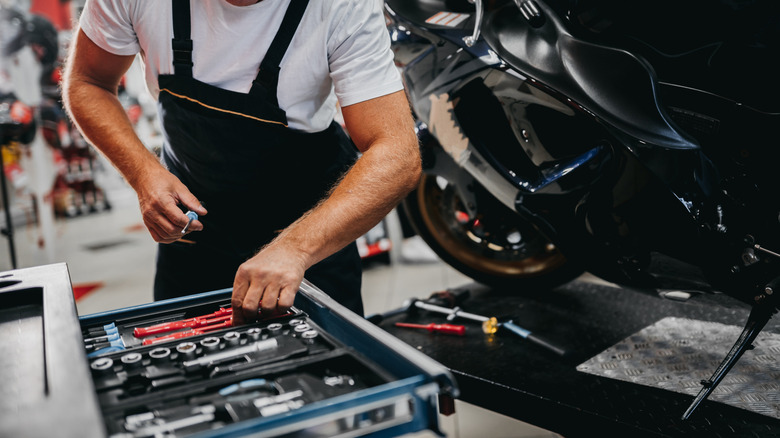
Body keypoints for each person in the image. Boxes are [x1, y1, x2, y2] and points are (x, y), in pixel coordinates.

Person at [62, 0, 421, 325]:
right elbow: (88, 81)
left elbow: (397, 152)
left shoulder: (340, 7)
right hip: (193, 238)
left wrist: (296, 249)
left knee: (326, 380)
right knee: (189, 379)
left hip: (310, 236)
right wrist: (144, 174)